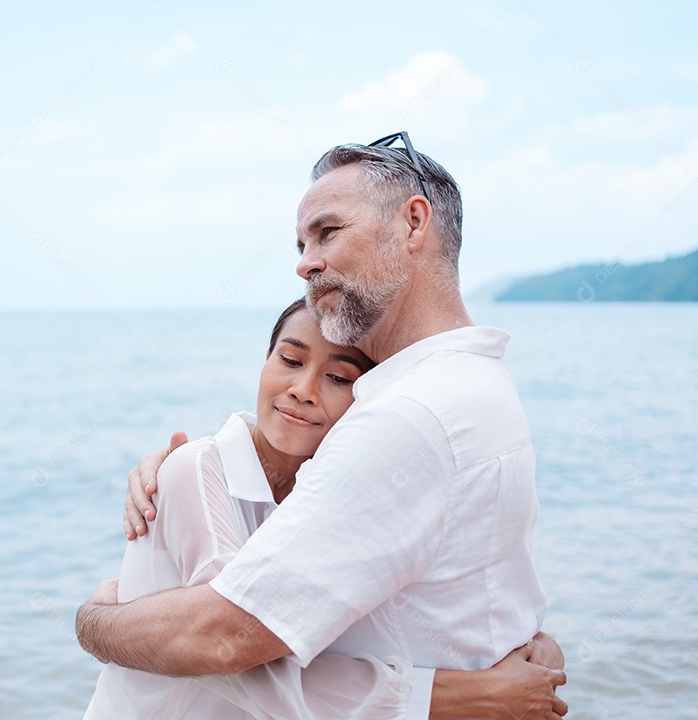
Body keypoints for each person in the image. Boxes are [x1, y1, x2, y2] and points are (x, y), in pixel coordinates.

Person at [78, 132, 566, 718]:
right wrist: (202, 467)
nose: (305, 262)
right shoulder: (476, 384)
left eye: (328, 232)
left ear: (413, 224)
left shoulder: (409, 415)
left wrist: (96, 620)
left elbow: (227, 638)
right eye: (302, 242)